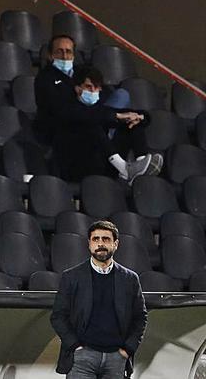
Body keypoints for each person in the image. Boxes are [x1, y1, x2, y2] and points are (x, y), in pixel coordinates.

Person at [50, 220, 147, 379]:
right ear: (89, 244)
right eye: (96, 239)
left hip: (117, 357)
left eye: (106, 239)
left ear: (116, 244)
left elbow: (140, 317)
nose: (100, 243)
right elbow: (58, 316)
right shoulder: (71, 276)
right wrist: (75, 346)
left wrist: (128, 349)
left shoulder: (130, 279)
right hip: (81, 358)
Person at [45, 66, 161, 183]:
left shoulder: (100, 107)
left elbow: (132, 114)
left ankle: (140, 165)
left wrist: (140, 117)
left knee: (132, 122)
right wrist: (117, 116)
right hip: (77, 166)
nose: (93, 91)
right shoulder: (68, 107)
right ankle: (125, 170)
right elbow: (90, 116)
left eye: (96, 88)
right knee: (92, 124)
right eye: (88, 87)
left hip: (103, 164)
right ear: (77, 88)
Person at [34, 34, 132, 143]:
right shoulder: (44, 78)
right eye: (59, 52)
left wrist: (95, 103)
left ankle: (140, 156)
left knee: (123, 98)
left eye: (68, 51)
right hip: (67, 127)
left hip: (94, 116)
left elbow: (102, 91)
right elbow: (59, 110)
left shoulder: (82, 71)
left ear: (73, 55)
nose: (65, 56)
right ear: (50, 55)